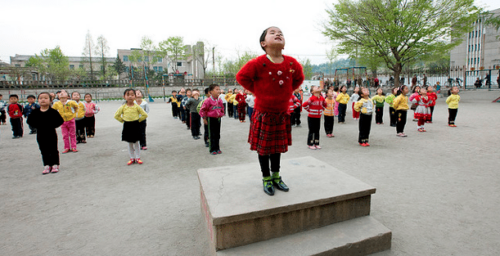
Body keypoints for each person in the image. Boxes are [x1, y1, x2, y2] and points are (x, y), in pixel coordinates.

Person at [236, 26, 304, 196]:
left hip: (281, 114)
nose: (278, 34)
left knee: (277, 148)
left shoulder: (291, 63)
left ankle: (276, 176)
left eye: (280, 33)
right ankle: (266, 177)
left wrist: (287, 91)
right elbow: (241, 77)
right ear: (263, 43)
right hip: (263, 113)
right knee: (264, 149)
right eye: (272, 33)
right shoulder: (257, 63)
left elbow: (299, 78)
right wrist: (258, 91)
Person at [27, 92, 64, 174]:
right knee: (43, 149)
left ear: (50, 100)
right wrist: (37, 126)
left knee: (53, 149)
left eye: (45, 98)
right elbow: (29, 121)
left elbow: (60, 121)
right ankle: (46, 165)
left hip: (51, 134)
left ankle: (55, 164)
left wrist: (52, 125)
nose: (43, 100)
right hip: (40, 134)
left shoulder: (53, 112)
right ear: (38, 100)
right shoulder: (35, 112)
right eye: (41, 98)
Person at [114, 89, 148, 165]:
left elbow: (145, 115)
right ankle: (132, 158)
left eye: (132, 95)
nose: (130, 96)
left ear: (135, 97)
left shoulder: (137, 107)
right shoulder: (123, 107)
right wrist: (123, 121)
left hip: (136, 125)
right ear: (124, 97)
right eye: (128, 95)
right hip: (127, 126)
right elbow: (116, 116)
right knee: (129, 143)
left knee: (136, 142)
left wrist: (138, 120)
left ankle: (138, 157)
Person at [199, 84, 224, 155]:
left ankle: (217, 148)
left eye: (219, 89)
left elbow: (222, 108)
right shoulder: (208, 101)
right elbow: (202, 110)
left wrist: (221, 114)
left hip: (218, 119)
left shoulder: (219, 100)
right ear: (211, 92)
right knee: (212, 135)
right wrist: (204, 118)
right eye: (216, 89)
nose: (218, 91)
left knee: (217, 134)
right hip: (211, 119)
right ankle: (212, 149)